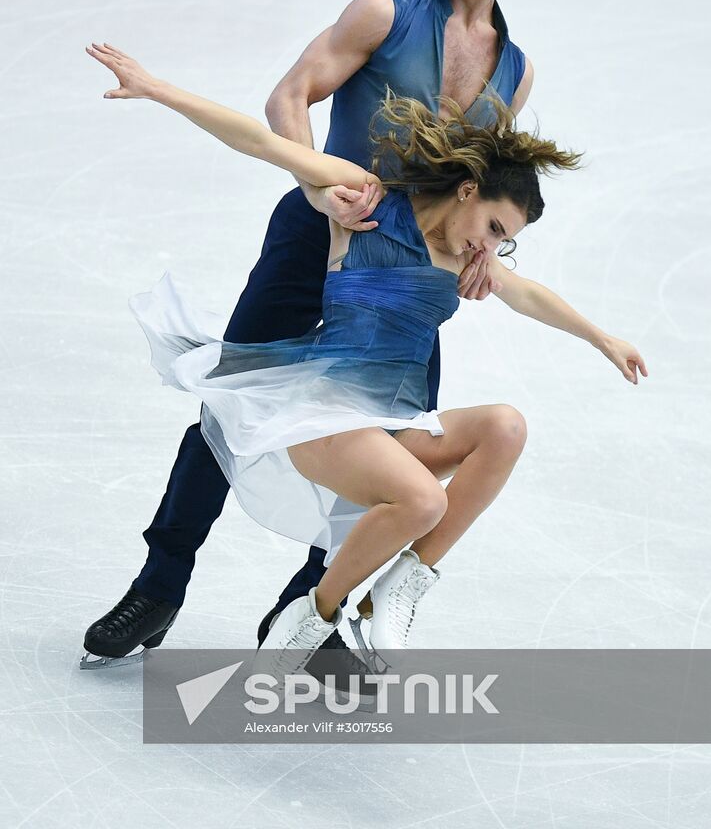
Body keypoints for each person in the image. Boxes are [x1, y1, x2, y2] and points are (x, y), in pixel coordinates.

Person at [82, 0, 544, 678]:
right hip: (314, 236)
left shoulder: (513, 71)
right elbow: (287, 98)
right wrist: (317, 185)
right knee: (230, 409)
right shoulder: (383, 11)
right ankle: (159, 584)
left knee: (392, 452)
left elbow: (481, 183)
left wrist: (477, 253)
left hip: (404, 281)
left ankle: (307, 612)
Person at [84, 41, 646, 680]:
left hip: (384, 420)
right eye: (492, 227)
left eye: (504, 241)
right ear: (467, 191)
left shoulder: (468, 262)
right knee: (418, 500)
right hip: (323, 414)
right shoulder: (362, 203)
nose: (491, 248)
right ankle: (310, 614)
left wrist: (604, 339)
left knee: (505, 427)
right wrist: (157, 87)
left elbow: (531, 297)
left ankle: (402, 583)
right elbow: (264, 142)